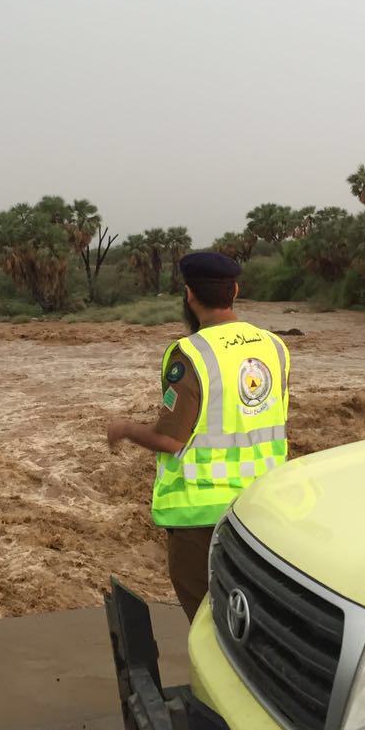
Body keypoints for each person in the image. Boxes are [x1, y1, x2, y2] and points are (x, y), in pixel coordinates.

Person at [106, 252, 291, 621]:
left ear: (189, 295)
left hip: (201, 517)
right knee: (255, 616)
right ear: (235, 290)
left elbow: (171, 440)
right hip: (263, 507)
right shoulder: (274, 346)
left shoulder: (190, 354)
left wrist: (126, 429)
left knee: (209, 622)